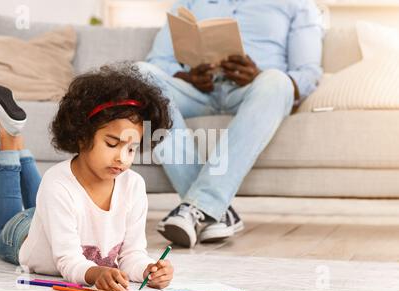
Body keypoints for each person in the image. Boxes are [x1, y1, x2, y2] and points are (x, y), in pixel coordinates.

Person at [137, 0, 323, 248]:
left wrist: (258, 74)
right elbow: (157, 60)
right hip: (198, 91)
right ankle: (214, 210)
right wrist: (188, 76)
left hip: (255, 91)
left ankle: (198, 207)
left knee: (277, 81)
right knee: (140, 73)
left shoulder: (297, 4)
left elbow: (308, 72)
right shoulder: (188, 2)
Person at [0, 64, 174, 291]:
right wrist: (95, 273)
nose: (123, 158)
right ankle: (10, 138)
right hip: (23, 233)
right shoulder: (56, 184)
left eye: (131, 149)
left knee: (50, 195)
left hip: (55, 213)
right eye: (112, 144)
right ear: (82, 137)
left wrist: (148, 269)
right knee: (0, 233)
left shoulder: (134, 185)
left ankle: (14, 133)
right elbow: (68, 261)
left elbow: (132, 254)